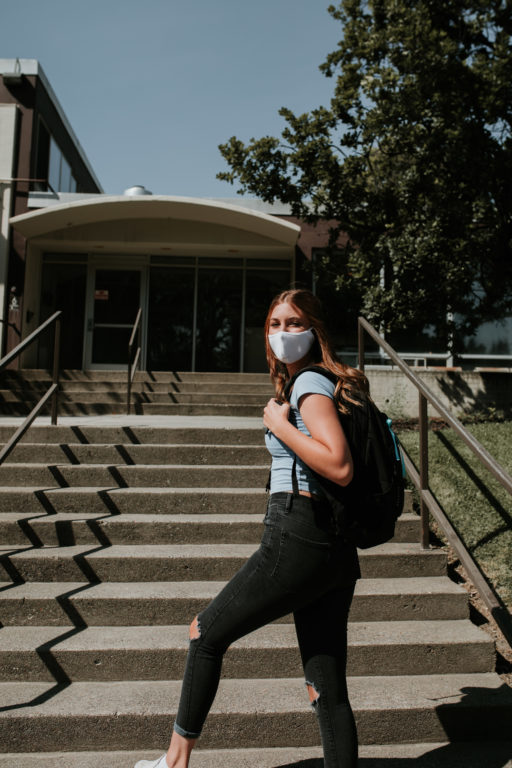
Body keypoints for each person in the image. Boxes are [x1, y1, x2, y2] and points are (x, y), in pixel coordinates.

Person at [135, 288, 369, 768]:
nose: (283, 333)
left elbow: (340, 466)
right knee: (325, 685)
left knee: (205, 633)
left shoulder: (308, 386)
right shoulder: (328, 383)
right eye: (276, 324)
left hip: (297, 535)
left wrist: (278, 425)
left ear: (315, 330)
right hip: (334, 547)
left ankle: (174, 763)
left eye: (295, 323)